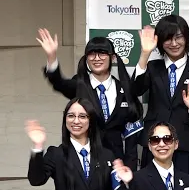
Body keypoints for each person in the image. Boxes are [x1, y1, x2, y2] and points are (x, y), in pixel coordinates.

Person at [131, 15, 189, 190]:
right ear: (160, 41)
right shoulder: (152, 67)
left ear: (186, 38)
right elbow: (135, 90)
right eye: (168, 38)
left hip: (186, 147)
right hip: (156, 146)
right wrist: (144, 54)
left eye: (179, 37)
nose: (174, 43)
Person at [38, 30, 143, 172]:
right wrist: (51, 57)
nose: (96, 58)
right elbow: (59, 83)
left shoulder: (124, 89)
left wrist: (130, 172)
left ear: (112, 57)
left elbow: (131, 138)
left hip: (117, 164)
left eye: (102, 53)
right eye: (91, 54)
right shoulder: (79, 85)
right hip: (86, 163)